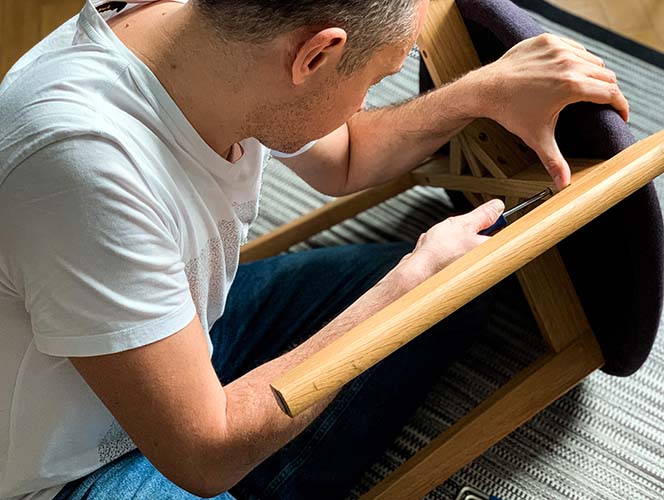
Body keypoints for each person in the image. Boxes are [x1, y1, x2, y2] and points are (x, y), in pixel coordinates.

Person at [0, 0, 629, 499]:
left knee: (455, 295)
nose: (364, 102)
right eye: (375, 79)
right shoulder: (80, 163)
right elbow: (202, 453)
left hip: (184, 333)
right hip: (62, 465)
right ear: (316, 55)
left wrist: (480, 90)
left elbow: (349, 156)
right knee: (417, 295)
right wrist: (404, 291)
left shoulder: (212, 36)